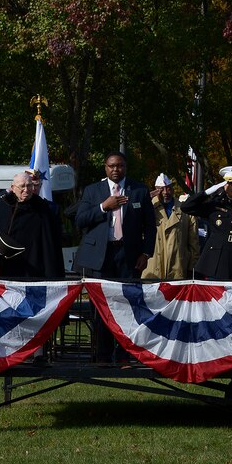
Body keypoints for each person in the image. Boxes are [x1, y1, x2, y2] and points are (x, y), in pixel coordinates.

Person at [75, 151, 156, 362]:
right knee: (101, 308)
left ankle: (122, 357)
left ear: (125, 167)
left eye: (119, 165)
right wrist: (104, 207)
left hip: (128, 255)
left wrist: (146, 253)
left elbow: (150, 226)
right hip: (100, 256)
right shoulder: (93, 191)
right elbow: (80, 220)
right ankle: (102, 356)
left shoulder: (138, 190)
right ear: (105, 167)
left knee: (126, 306)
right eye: (111, 166)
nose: (115, 169)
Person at [180, 166, 232, 280]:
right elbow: (186, 207)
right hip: (213, 264)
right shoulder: (214, 205)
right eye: (230, 183)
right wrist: (210, 190)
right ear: (224, 185)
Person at [0, 172, 64, 279]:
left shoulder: (42, 207)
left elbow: (49, 242)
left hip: (32, 266)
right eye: (22, 186)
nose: (26, 190)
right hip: (5, 266)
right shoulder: (3, 204)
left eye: (29, 185)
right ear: (13, 188)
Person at [141, 173, 200, 280]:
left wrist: (193, 267)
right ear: (155, 190)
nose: (165, 192)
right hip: (153, 269)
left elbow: (194, 242)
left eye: (168, 188)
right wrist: (144, 200)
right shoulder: (147, 207)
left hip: (177, 268)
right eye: (161, 189)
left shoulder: (185, 209)